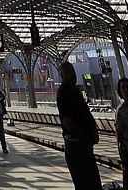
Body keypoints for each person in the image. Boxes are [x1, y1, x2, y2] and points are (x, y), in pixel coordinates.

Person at [56, 61, 101, 190]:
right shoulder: (63, 92)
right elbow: (67, 121)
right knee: (85, 183)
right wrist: (85, 139)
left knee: (92, 182)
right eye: (68, 72)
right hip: (76, 146)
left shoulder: (75, 91)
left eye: (73, 71)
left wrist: (93, 132)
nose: (73, 75)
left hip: (83, 145)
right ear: (62, 75)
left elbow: (86, 113)